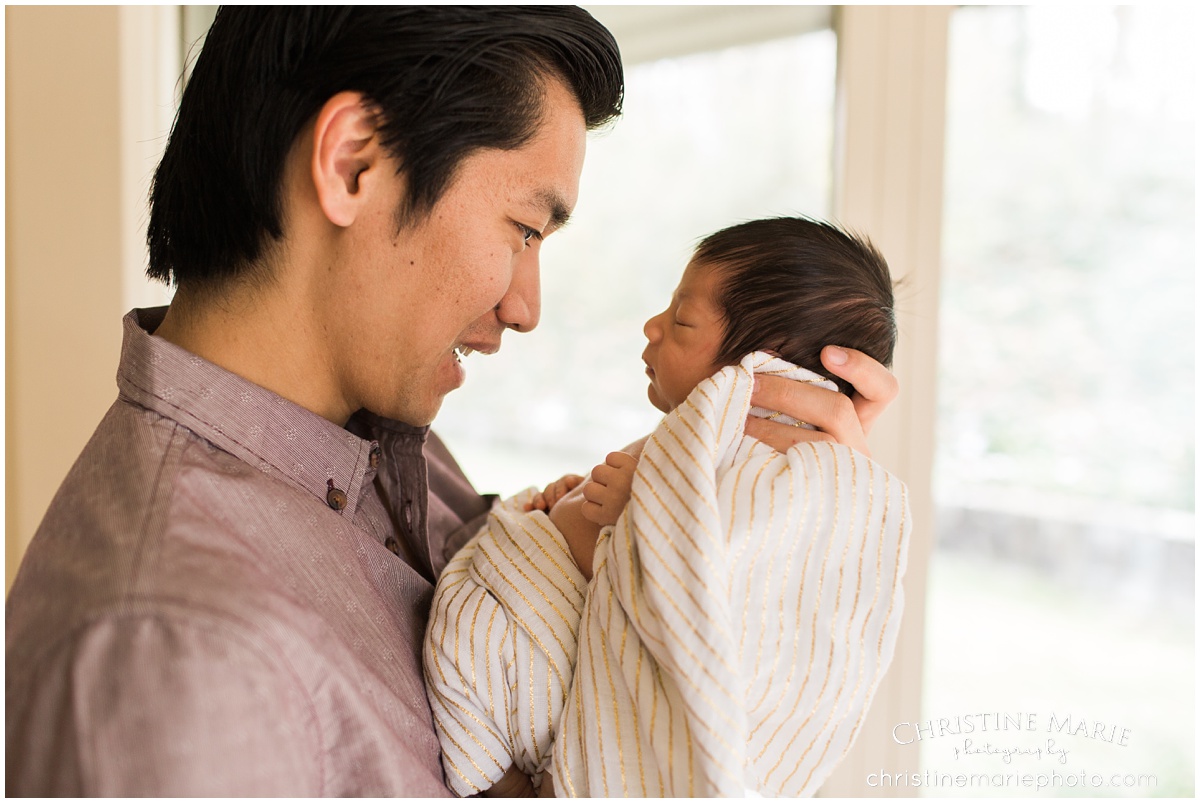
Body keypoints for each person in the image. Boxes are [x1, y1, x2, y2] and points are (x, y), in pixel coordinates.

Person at [4, 8, 897, 797]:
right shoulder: (174, 661)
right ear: (354, 163)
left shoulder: (385, 440)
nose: (526, 306)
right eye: (524, 229)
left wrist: (776, 517)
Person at [424, 217, 912, 796]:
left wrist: (644, 512)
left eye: (682, 321)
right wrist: (572, 501)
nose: (653, 326)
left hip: (521, 663)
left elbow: (716, 597)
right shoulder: (695, 447)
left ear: (762, 367)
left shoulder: (774, 482)